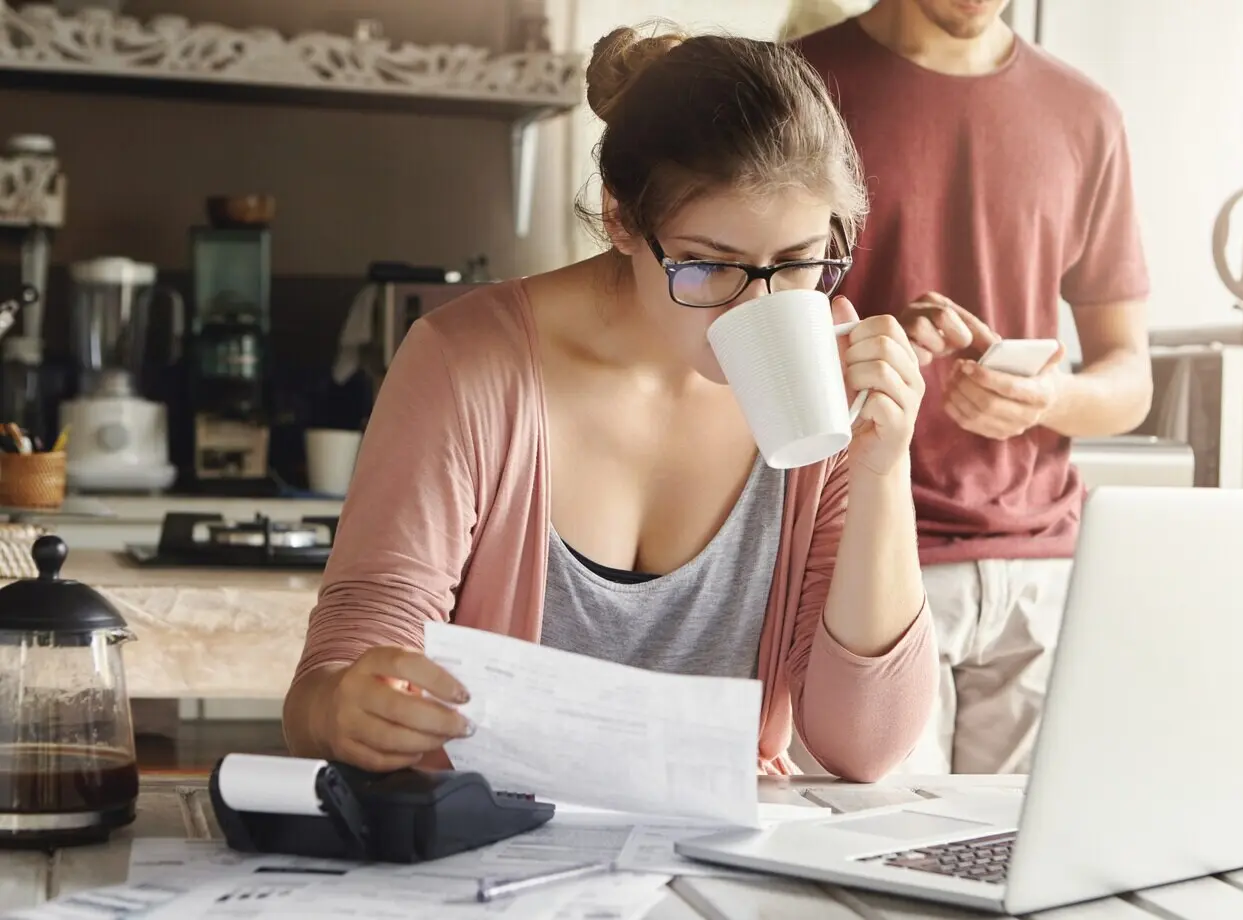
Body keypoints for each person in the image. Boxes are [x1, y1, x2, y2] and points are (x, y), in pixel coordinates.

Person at [282, 26, 939, 782]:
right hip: (489, 842)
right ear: (622, 218)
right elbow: (329, 689)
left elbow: (864, 747)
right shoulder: (470, 364)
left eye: (797, 264)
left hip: (721, 846)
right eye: (709, 264)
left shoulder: (826, 375)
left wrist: (883, 470)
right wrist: (344, 710)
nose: (754, 307)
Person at [792, 0, 1153, 775]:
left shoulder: (1086, 114)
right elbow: (734, 334)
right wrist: (862, 349)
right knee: (871, 846)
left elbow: (1131, 378)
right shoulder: (799, 86)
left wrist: (1047, 398)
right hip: (861, 559)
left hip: (1044, 579)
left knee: (1034, 850)